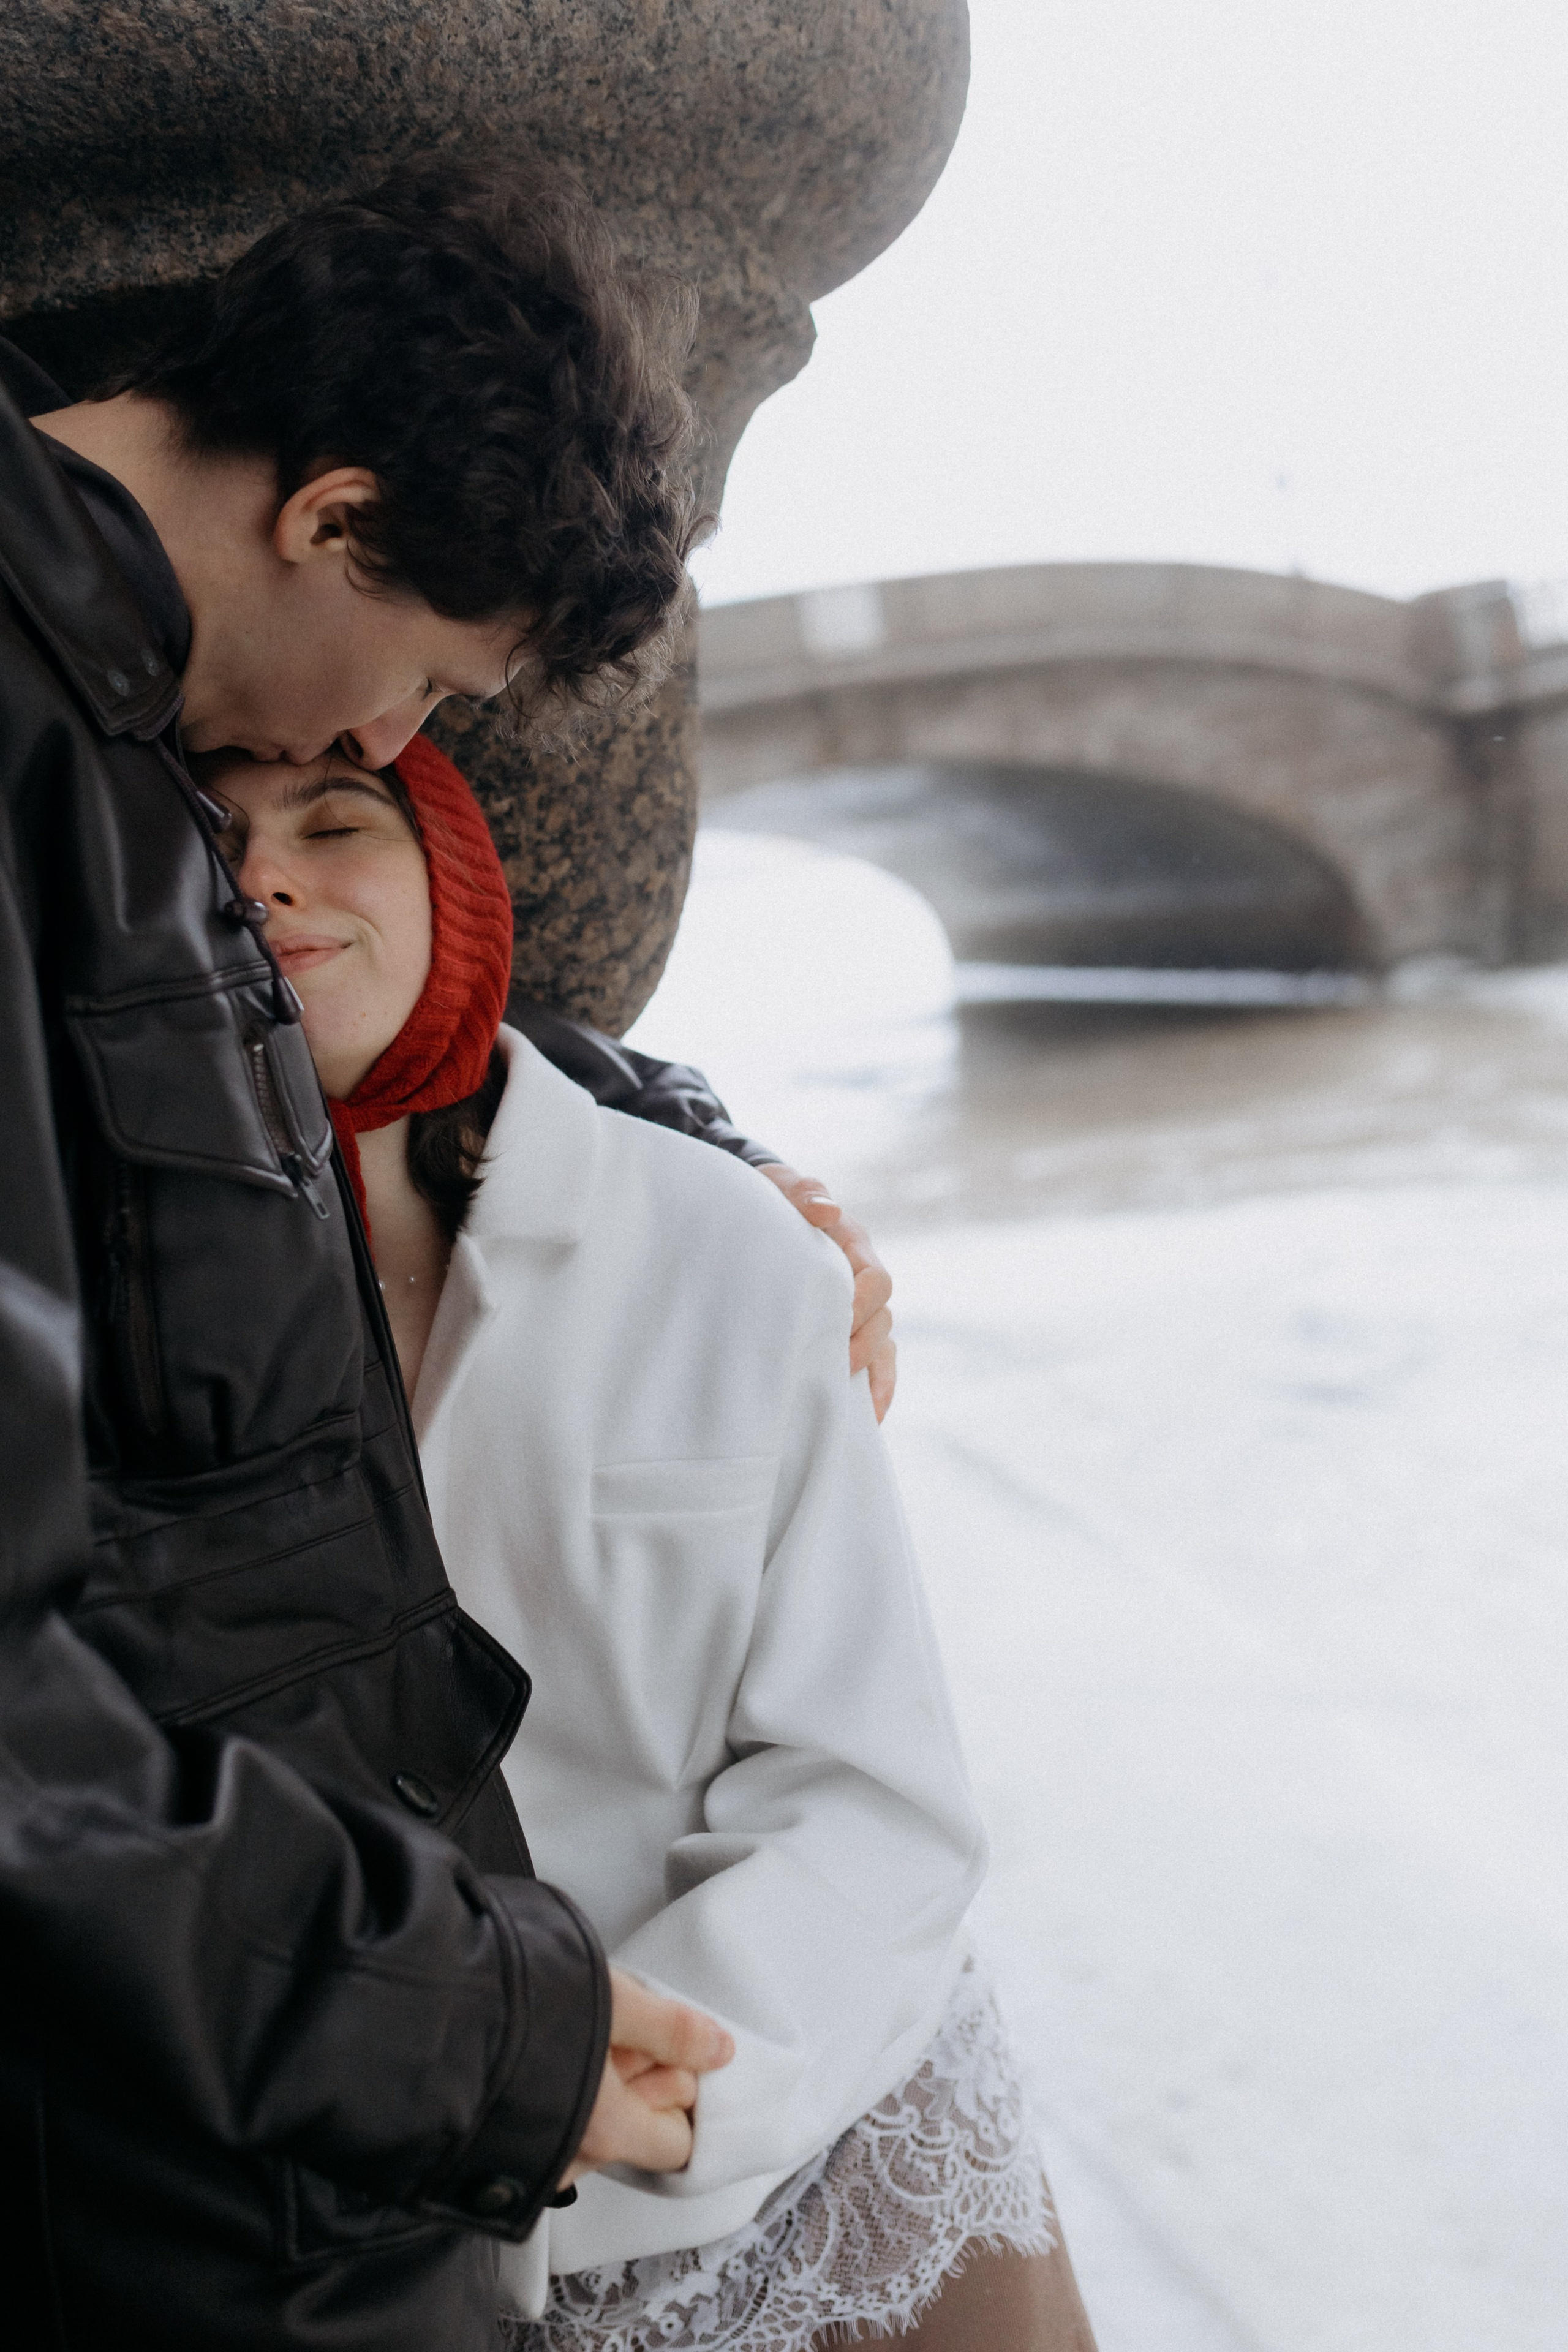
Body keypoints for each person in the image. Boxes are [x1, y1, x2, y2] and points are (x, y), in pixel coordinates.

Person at [0, 152, 756, 2350]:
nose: (382, 758)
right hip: (178, 2167)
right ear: (329, 518)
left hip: (295, 2108)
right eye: (418, 682)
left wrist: (668, 1134)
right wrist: (474, 2035)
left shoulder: (121, 741)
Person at [205, 730, 1102, 2352]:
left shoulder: (726, 1248)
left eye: (338, 825)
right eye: (210, 841)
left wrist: (669, 2084)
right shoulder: (118, 1334)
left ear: (456, 887)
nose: (266, 874)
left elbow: (871, 1789)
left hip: (824, 2158)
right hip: (359, 2235)